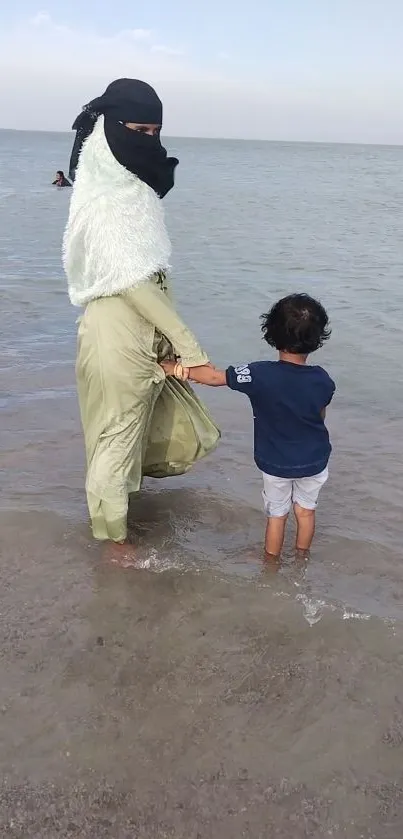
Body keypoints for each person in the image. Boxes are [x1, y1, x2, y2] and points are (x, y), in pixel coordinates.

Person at [63, 78, 219, 566]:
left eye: (155, 131)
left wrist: (168, 344)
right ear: (110, 130)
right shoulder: (107, 203)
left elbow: (148, 279)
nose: (149, 140)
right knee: (115, 438)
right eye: (139, 130)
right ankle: (113, 542)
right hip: (118, 334)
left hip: (138, 331)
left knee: (126, 433)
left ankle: (118, 515)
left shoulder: (128, 190)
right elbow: (132, 283)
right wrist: (192, 351)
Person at [162, 294, 335, 558]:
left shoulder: (258, 374)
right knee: (306, 510)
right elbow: (319, 416)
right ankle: (302, 559)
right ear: (317, 339)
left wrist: (173, 367)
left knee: (277, 515)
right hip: (315, 459)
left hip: (276, 462)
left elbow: (213, 377)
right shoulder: (323, 379)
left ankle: (271, 565)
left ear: (272, 333)